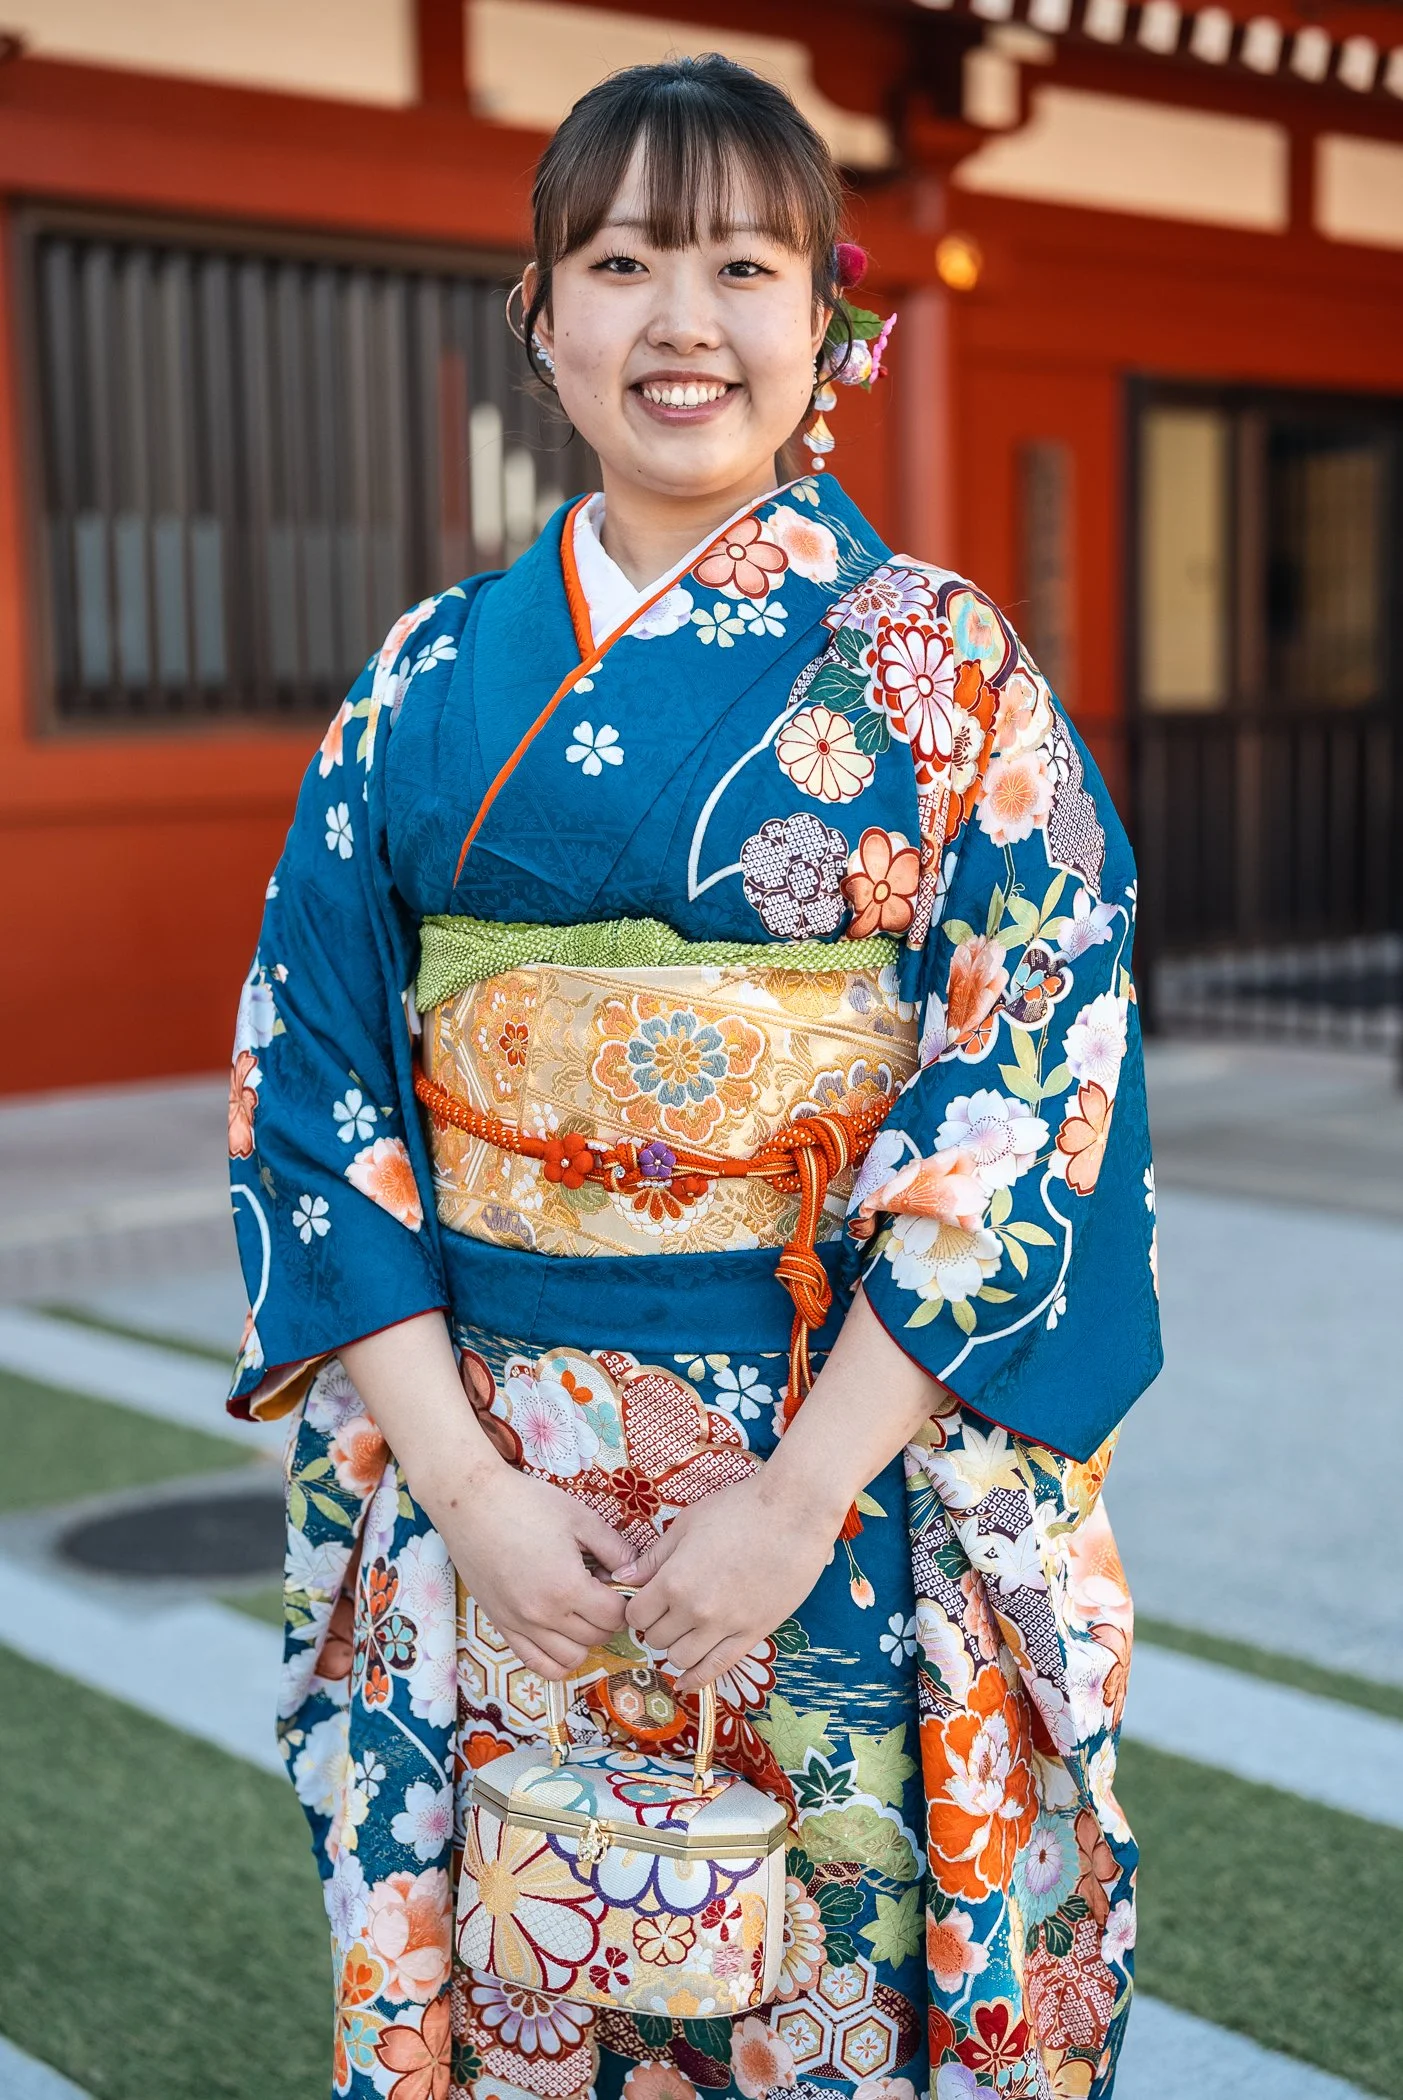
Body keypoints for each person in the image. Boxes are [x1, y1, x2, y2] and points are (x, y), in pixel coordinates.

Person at [227, 53, 1160, 2100]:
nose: (680, 320)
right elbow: (311, 1091)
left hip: (842, 1485)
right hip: (497, 1477)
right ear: (538, 316)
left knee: (845, 1987)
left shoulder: (942, 670)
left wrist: (792, 1500)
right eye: (621, 258)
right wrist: (464, 1494)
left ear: (823, 316)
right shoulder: (413, 685)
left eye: (740, 263)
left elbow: (1027, 1091)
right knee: (524, 1993)